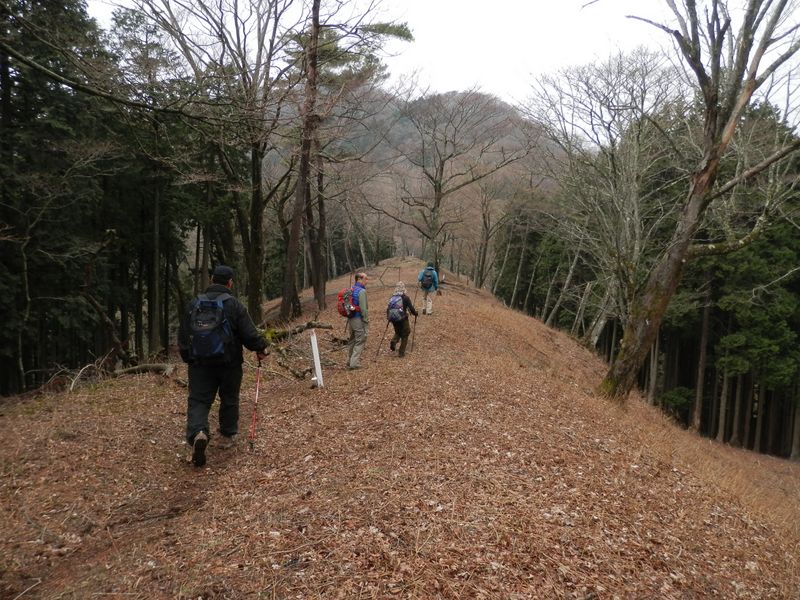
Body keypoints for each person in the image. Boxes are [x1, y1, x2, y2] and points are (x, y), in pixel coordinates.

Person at [178, 265, 268, 467]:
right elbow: (248, 333)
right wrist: (261, 347)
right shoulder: (234, 305)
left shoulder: (194, 304)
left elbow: (184, 334)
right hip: (229, 362)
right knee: (229, 397)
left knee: (199, 400)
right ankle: (226, 436)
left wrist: (188, 357)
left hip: (200, 364)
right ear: (230, 283)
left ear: (211, 280)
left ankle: (199, 432)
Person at [387, 281, 418, 358]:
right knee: (406, 333)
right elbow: (411, 308)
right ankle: (401, 353)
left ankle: (393, 341)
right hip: (403, 319)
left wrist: (388, 318)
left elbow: (388, 309)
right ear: (403, 288)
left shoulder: (392, 297)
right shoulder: (406, 298)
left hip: (393, 319)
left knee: (398, 332)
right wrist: (415, 313)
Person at [346, 272, 369, 369]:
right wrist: (366, 321)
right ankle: (354, 363)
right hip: (358, 318)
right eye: (365, 279)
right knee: (360, 340)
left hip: (350, 318)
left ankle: (350, 361)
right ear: (359, 279)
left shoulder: (351, 289)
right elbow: (363, 309)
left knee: (352, 340)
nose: (367, 281)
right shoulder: (362, 291)